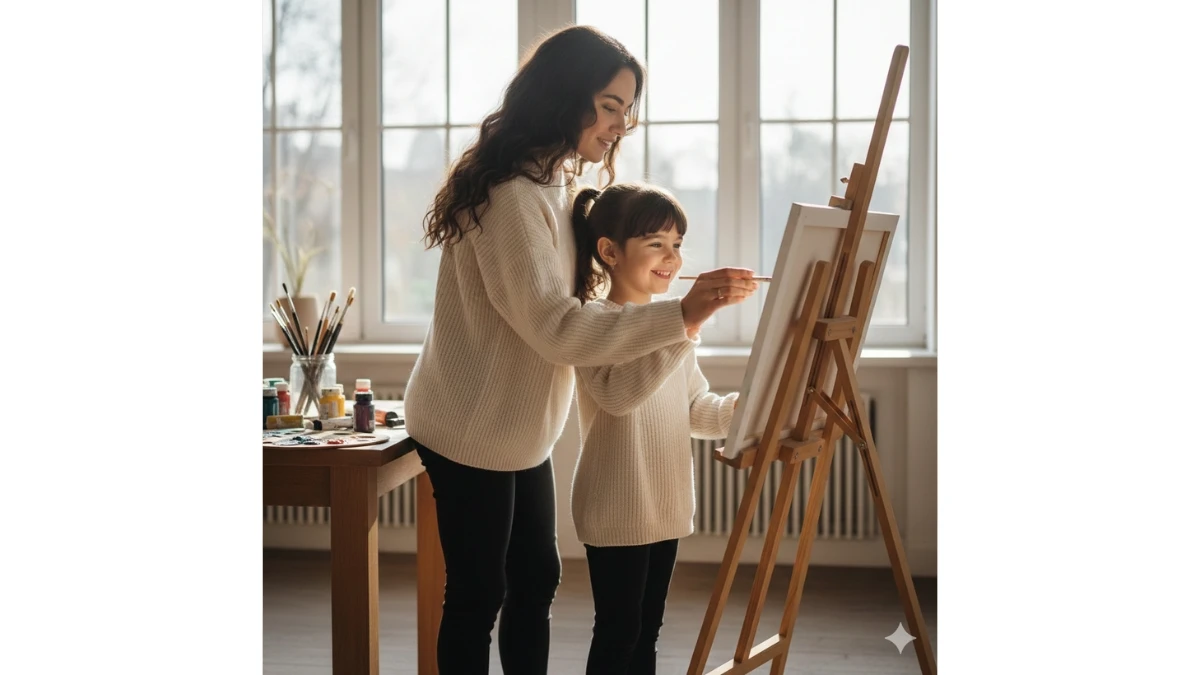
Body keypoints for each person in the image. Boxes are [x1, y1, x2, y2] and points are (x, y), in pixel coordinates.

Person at [402, 24, 759, 674]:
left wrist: (665, 293)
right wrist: (681, 315)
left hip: (519, 428)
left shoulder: (556, 183)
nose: (622, 125)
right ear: (566, 97)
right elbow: (558, 326)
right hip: (466, 423)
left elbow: (588, 307)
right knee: (480, 593)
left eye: (628, 109)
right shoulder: (511, 197)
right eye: (610, 106)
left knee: (535, 577)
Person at [568, 182, 739, 674]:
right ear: (610, 251)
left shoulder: (673, 328)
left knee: (647, 632)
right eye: (656, 244)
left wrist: (750, 407)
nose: (672, 257)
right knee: (619, 633)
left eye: (678, 244)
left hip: (663, 503)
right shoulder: (593, 321)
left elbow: (697, 409)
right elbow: (619, 396)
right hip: (615, 507)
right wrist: (683, 328)